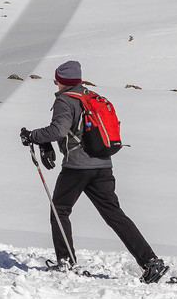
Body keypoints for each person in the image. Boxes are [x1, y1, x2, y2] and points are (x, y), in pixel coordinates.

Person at [22, 60, 168, 283]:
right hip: (103, 164)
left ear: (61, 81)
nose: (56, 84)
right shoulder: (91, 97)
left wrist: (32, 136)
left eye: (56, 80)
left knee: (59, 210)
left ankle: (66, 262)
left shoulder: (65, 100)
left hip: (77, 167)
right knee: (114, 215)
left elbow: (58, 130)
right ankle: (150, 261)